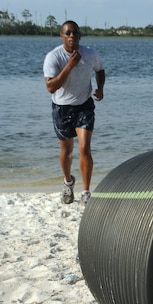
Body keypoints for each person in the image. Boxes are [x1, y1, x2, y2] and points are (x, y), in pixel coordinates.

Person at [43, 20, 105, 205]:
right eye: (68, 33)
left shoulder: (90, 54)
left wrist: (100, 88)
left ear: (80, 36)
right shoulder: (53, 57)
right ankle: (68, 182)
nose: (72, 36)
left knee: (85, 149)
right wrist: (69, 66)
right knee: (66, 151)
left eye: (75, 33)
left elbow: (100, 70)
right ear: (62, 36)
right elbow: (50, 87)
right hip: (61, 108)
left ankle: (86, 192)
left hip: (84, 106)